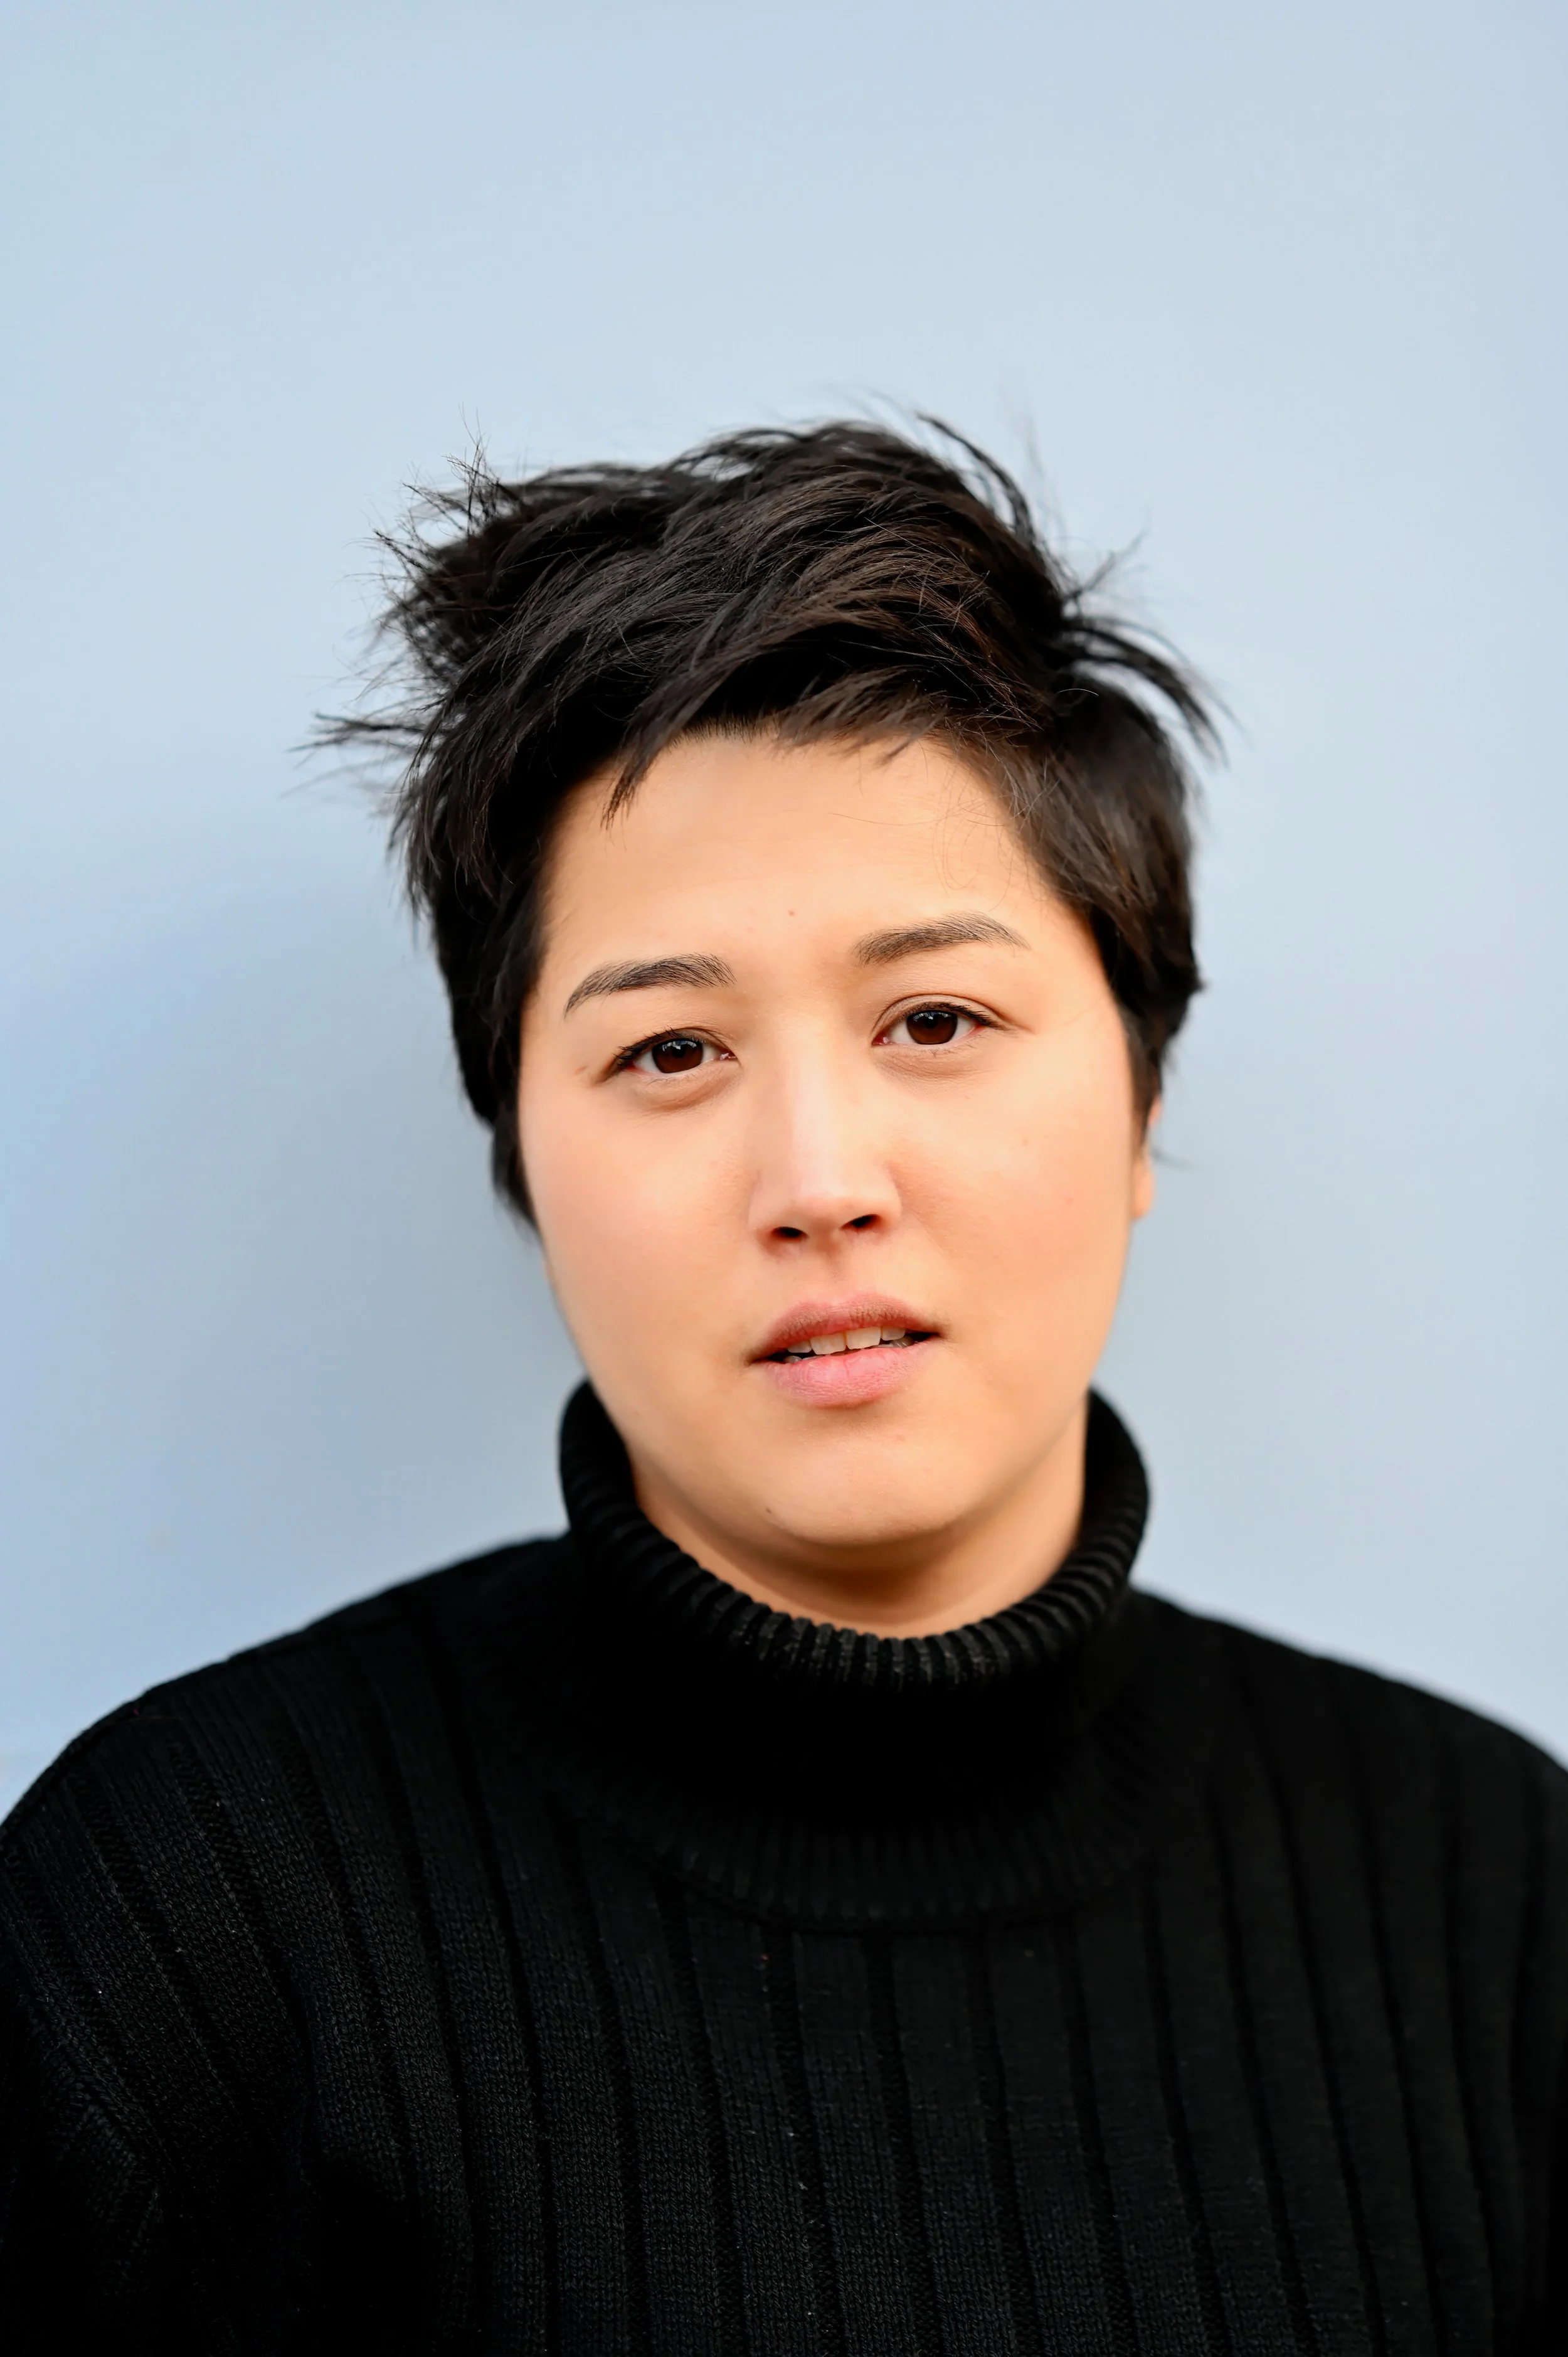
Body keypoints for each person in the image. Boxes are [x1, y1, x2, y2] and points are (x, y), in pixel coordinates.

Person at [0, 421, 1562, 2354]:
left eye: (936, 1018)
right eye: (669, 1050)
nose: (819, 1178)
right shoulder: (181, 1917)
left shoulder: (1491, 1893)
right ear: (520, 1151)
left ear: (1140, 1094)